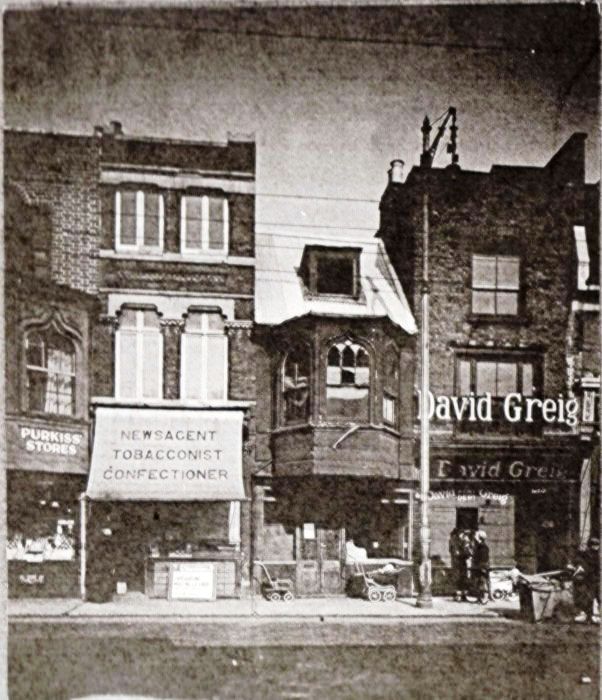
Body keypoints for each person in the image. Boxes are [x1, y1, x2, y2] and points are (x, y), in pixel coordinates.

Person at [571, 537, 600, 624]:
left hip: (593, 579)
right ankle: (588, 615)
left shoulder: (595, 555)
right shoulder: (585, 555)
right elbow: (578, 562)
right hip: (588, 579)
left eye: (597, 545)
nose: (596, 547)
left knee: (593, 597)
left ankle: (593, 615)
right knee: (587, 597)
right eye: (594, 545)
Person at [452, 529, 473, 602]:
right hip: (457, 563)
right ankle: (458, 596)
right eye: (462, 534)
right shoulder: (455, 543)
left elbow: (469, 552)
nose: (464, 536)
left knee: (464, 579)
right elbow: (456, 553)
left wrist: (467, 547)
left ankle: (463, 595)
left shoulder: (464, 543)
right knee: (458, 579)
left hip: (463, 563)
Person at [472, 530, 490, 604]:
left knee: (483, 583)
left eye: (476, 536)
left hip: (482, 567)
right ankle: (479, 598)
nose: (474, 537)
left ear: (479, 538)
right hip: (478, 567)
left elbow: (484, 559)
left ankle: (485, 598)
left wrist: (483, 568)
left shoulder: (483, 547)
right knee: (478, 583)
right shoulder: (478, 546)